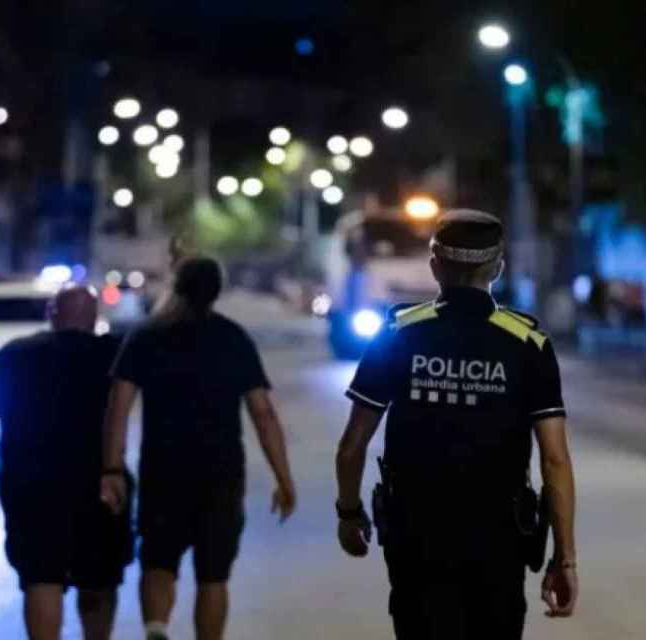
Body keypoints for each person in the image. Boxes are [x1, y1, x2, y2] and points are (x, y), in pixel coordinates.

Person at [334, 209, 578, 639]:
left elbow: (353, 444)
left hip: (416, 534)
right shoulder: (527, 344)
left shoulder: (398, 335)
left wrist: (349, 513)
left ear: (435, 266)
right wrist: (565, 559)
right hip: (498, 538)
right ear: (498, 268)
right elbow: (554, 461)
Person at [100, 256, 297, 640]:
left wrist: (112, 468)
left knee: (157, 561)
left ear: (176, 286)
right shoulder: (232, 338)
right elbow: (263, 414)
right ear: (217, 291)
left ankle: (156, 628)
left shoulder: (147, 336)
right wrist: (283, 477)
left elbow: (118, 407)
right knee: (214, 575)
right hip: (220, 473)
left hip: (163, 470)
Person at [0, 285, 133, 640]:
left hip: (32, 486)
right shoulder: (114, 354)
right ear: (94, 318)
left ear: (52, 314)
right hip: (100, 484)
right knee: (99, 580)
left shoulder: (18, 354)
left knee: (41, 578)